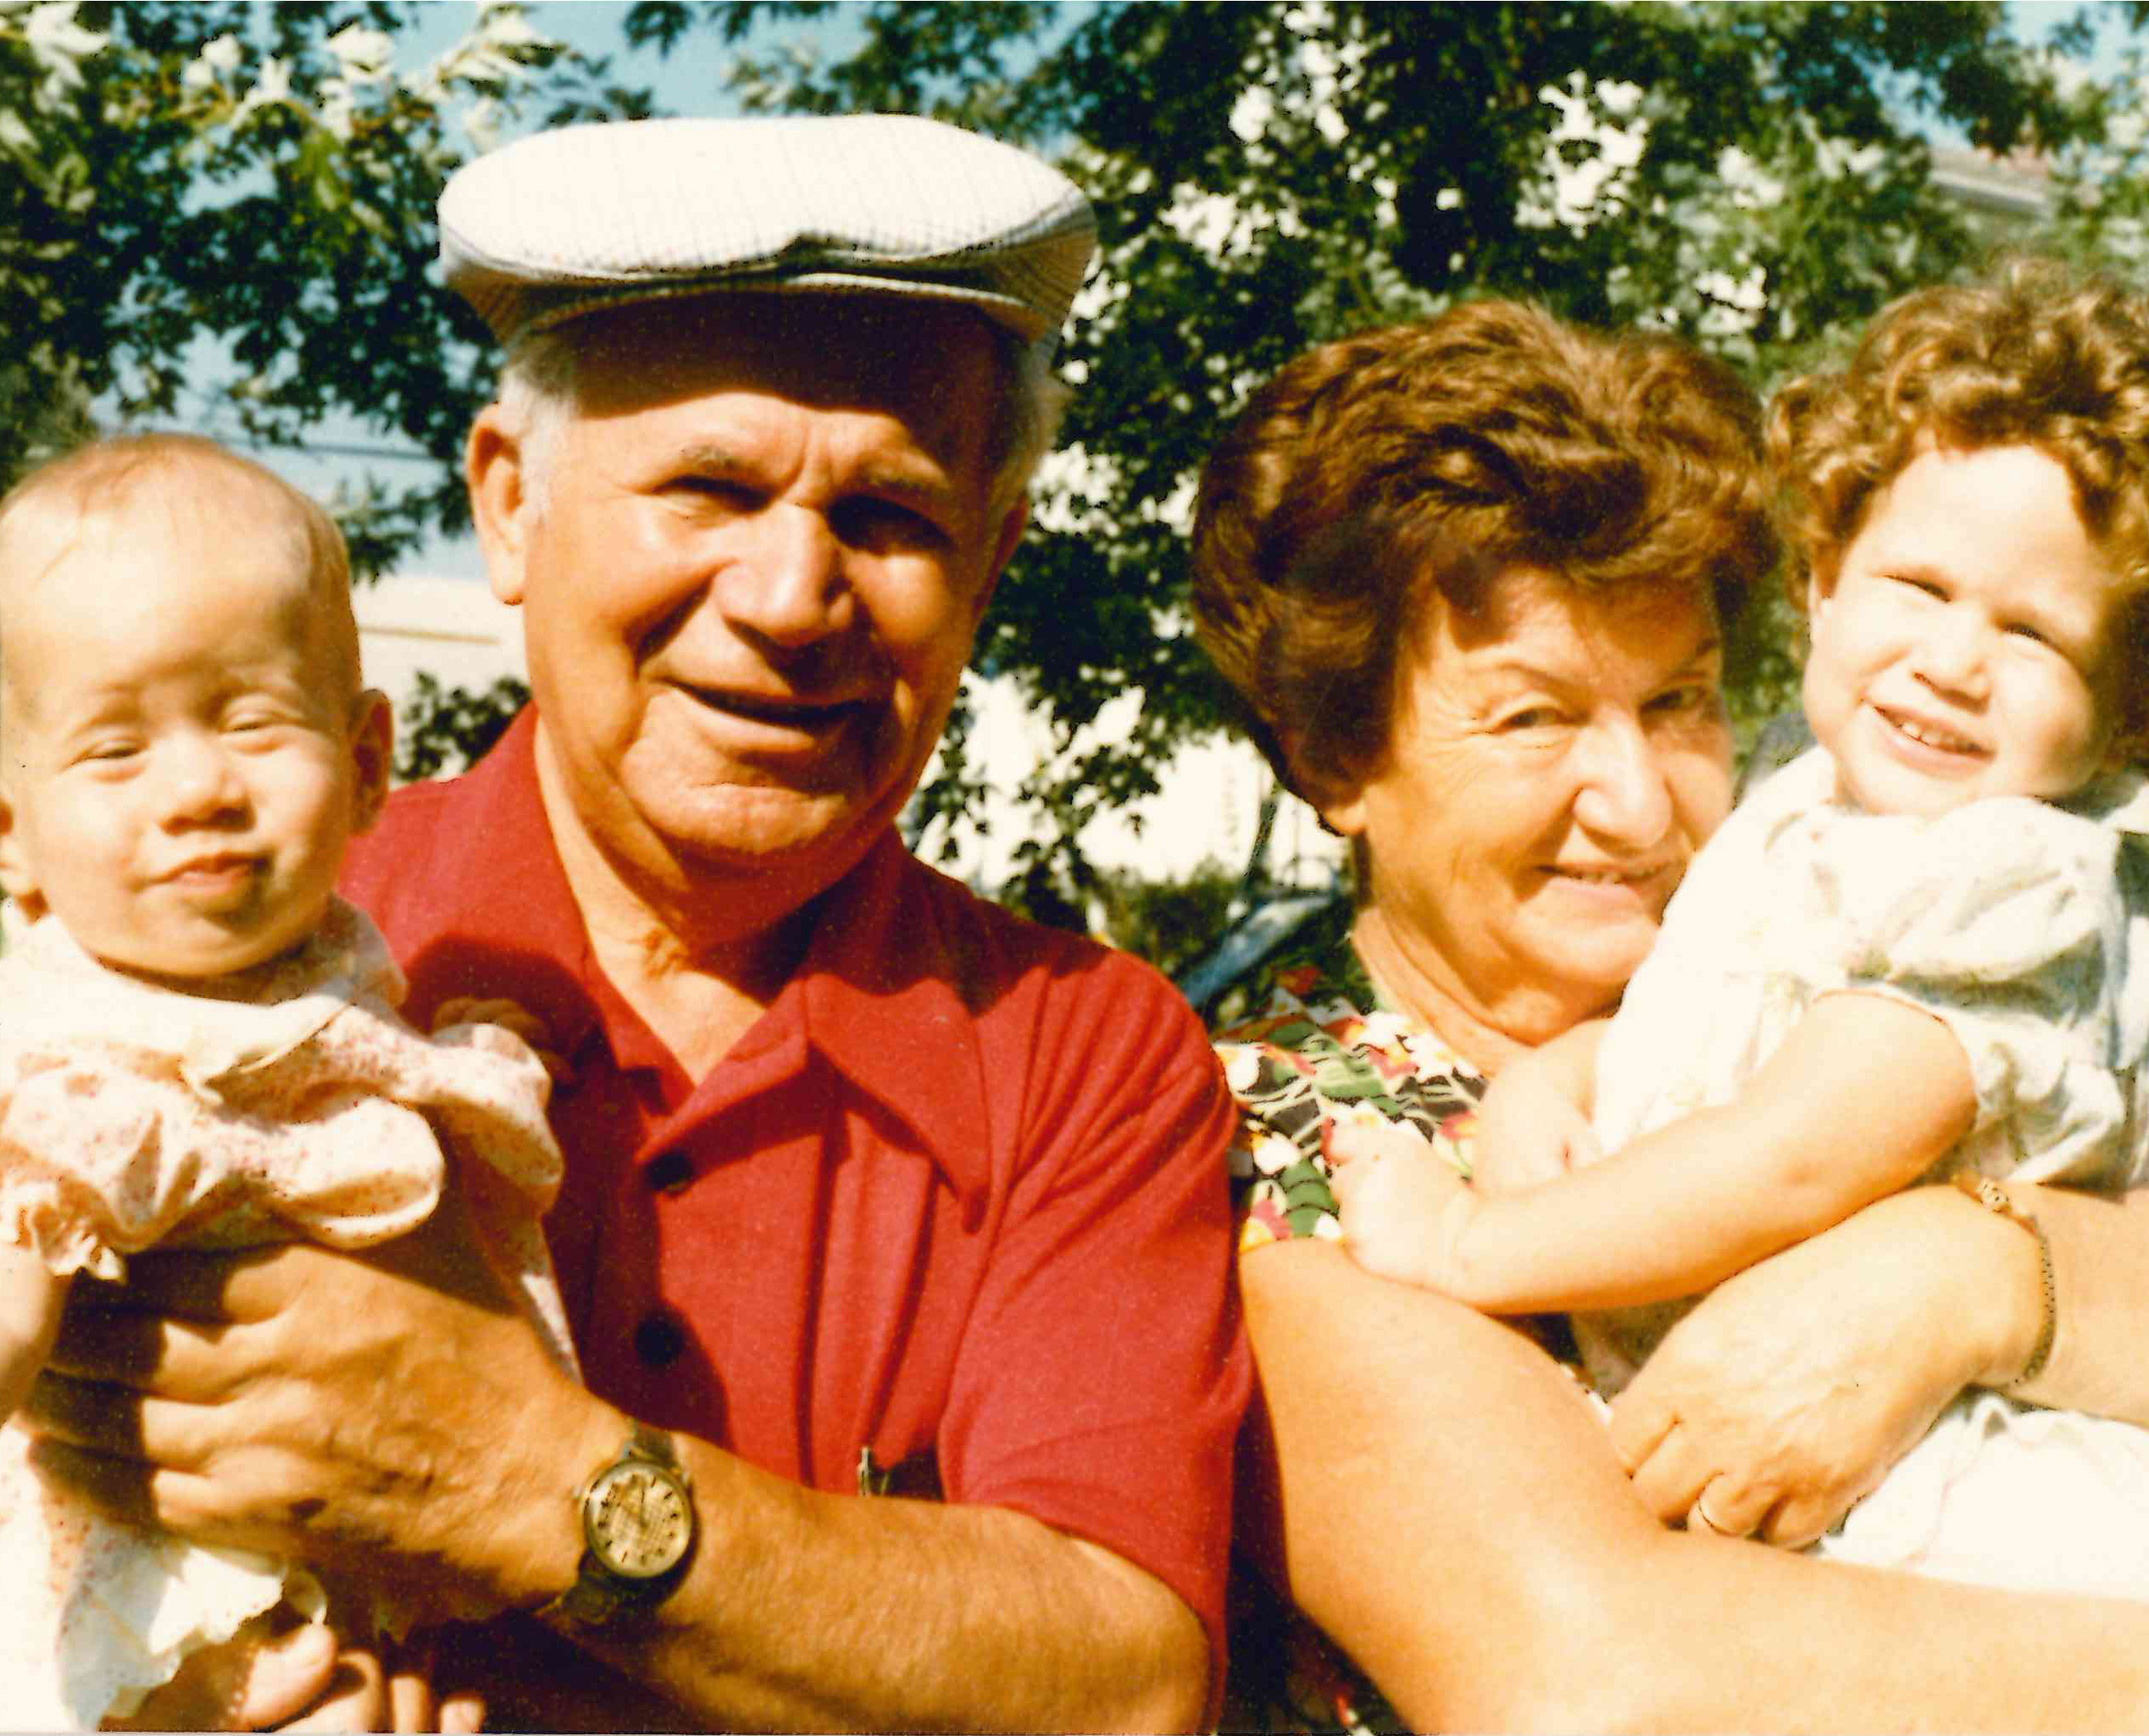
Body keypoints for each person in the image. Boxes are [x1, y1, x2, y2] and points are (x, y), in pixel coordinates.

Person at [18, 115, 1247, 1730]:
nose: (791, 595)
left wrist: (540, 1480)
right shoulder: (140, 974)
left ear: (993, 555)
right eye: (709, 487)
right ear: (508, 505)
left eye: (891, 515)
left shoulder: (1085, 1055)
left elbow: (1121, 1689)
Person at [1191, 296, 2149, 1731]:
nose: (1638, 806)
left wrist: (1962, 1280)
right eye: (1530, 717)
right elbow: (1596, 1681)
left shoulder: (1793, 982)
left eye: (1680, 701)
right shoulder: (1286, 1151)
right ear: (1337, 754)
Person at [0, 435, 571, 1728]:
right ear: (11, 837)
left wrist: (456, 1048)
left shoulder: (322, 974)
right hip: (143, 1618)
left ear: (368, 760)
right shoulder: (69, 1061)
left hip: (348, 1586)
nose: (200, 786)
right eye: (115, 751)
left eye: (253, 718)